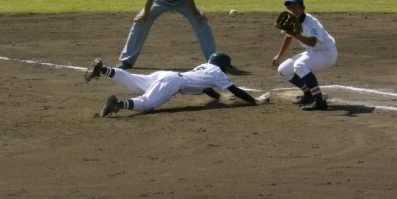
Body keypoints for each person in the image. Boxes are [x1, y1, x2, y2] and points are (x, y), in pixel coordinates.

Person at [85, 52, 270, 117]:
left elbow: (205, 88)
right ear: (224, 66)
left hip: (166, 75)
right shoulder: (218, 73)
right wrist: (255, 101)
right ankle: (118, 105)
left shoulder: (204, 67)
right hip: (172, 82)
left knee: (134, 81)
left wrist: (220, 98)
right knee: (147, 104)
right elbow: (235, 90)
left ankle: (103, 70)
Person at [271, 0, 337, 111]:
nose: (292, 9)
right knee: (283, 70)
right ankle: (308, 94)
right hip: (313, 52)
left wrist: (296, 34)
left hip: (326, 53)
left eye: (295, 6)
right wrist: (279, 55)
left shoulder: (312, 23)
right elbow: (288, 37)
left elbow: (312, 42)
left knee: (300, 65)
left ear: (303, 8)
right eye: (289, 7)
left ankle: (319, 101)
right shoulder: (291, 21)